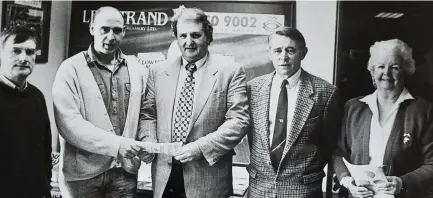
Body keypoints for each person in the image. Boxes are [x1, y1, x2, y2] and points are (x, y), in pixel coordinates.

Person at [138, 7, 250, 198]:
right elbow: (148, 113)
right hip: (165, 179)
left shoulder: (230, 71)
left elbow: (238, 121)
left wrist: (200, 147)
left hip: (208, 179)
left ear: (208, 37)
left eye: (195, 35)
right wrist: (149, 141)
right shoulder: (158, 72)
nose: (188, 42)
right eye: (182, 36)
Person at [52, 6, 152, 198]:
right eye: (104, 29)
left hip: (124, 173)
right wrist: (118, 145)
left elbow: (147, 114)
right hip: (82, 177)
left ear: (124, 31)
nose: (110, 36)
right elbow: (69, 125)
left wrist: (148, 142)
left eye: (116, 30)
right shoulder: (70, 69)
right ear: (91, 28)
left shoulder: (137, 69)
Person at [246, 27, 341, 197]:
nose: (283, 56)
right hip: (260, 188)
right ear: (270, 54)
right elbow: (254, 138)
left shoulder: (325, 92)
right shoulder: (253, 88)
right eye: (277, 50)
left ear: (302, 53)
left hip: (303, 190)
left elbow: (329, 145)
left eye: (290, 50)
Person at [333, 39, 433, 198]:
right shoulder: (353, 108)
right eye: (380, 66)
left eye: (394, 67)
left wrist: (402, 183)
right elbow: (338, 153)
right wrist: (347, 181)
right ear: (372, 71)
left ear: (405, 71)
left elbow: (431, 164)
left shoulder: (423, 110)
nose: (386, 73)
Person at [0, 25, 52, 198]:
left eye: (30, 52)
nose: (24, 58)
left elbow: (44, 153)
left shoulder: (37, 97)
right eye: (16, 51)